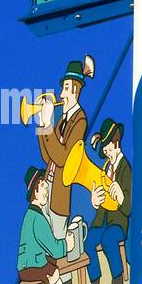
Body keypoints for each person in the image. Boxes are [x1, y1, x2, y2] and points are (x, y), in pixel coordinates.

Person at [36, 57, 92, 243]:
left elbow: (63, 159)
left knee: (58, 240)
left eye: (65, 88)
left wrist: (49, 127)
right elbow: (48, 158)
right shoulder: (62, 119)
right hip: (48, 185)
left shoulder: (79, 120)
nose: (61, 95)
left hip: (60, 193)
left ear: (75, 90)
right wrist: (43, 125)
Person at [17, 167, 80, 284]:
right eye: (44, 187)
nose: (47, 191)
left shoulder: (34, 214)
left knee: (52, 265)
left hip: (32, 261)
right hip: (29, 266)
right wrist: (68, 244)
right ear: (35, 192)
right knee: (53, 272)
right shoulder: (36, 218)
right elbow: (55, 249)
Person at [85, 117, 130, 284]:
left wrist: (120, 197)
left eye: (107, 147)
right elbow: (100, 192)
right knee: (88, 242)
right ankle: (95, 278)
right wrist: (94, 201)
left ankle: (117, 278)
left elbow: (128, 207)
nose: (104, 151)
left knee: (109, 240)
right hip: (102, 221)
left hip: (118, 222)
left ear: (115, 143)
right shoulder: (106, 167)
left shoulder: (125, 168)